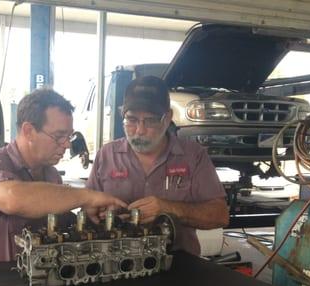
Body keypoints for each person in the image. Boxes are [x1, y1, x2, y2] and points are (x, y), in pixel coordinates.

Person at [0, 89, 126, 264]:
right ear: (29, 131)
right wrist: (87, 197)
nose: (66, 145)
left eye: (69, 136)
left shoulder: (51, 175)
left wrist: (88, 216)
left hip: (35, 280)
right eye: (59, 136)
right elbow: (13, 199)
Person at [86, 76, 229, 255]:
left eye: (151, 120)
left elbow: (220, 216)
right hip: (116, 263)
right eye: (131, 119)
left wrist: (169, 209)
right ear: (122, 113)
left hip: (176, 263)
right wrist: (104, 212)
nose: (139, 130)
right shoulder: (106, 155)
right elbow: (88, 210)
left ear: (168, 117)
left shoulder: (194, 156)